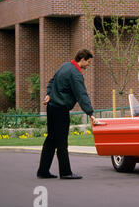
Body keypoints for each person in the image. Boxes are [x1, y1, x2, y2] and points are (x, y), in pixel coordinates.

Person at [37, 49, 98, 179]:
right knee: (62, 142)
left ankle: (43, 171)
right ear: (82, 59)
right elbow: (81, 94)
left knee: (51, 140)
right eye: (88, 62)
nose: (89, 64)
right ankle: (65, 172)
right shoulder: (75, 74)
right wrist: (90, 113)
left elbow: (52, 81)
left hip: (51, 108)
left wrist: (48, 94)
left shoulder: (65, 66)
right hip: (60, 110)